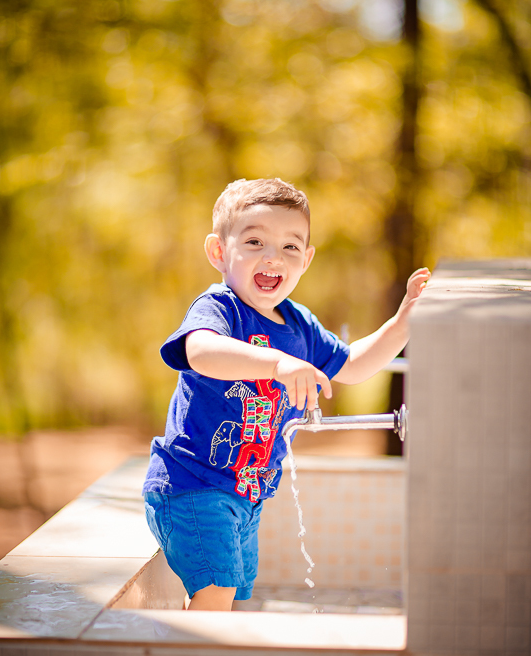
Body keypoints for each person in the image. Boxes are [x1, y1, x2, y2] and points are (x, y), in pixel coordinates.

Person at [143, 177, 430, 611]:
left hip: (245, 495)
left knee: (236, 596)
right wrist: (277, 364)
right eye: (255, 241)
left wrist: (402, 324)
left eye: (290, 247)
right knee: (217, 590)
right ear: (219, 252)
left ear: (307, 259)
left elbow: (352, 365)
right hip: (193, 485)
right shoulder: (219, 308)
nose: (273, 257)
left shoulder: (298, 324)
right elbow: (200, 350)